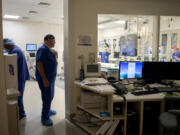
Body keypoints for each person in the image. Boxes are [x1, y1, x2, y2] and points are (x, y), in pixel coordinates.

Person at [3, 38, 30, 120]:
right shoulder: (14, 49)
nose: (5, 48)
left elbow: (11, 67)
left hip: (20, 76)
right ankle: (21, 113)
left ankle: (22, 114)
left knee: (18, 96)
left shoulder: (15, 51)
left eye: (5, 46)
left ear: (8, 45)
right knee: (19, 95)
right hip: (20, 75)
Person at [35, 34, 58, 126]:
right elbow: (39, 64)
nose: (55, 42)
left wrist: (54, 54)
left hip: (50, 78)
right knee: (47, 97)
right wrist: (44, 79)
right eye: (54, 41)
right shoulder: (42, 49)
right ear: (48, 40)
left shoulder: (48, 50)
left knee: (50, 95)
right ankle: (44, 117)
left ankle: (47, 110)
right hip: (45, 79)